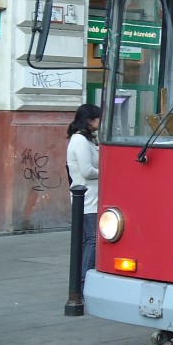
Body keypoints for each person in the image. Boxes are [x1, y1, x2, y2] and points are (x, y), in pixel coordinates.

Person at [66, 103, 101, 290]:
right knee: (92, 240)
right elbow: (87, 171)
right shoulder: (80, 141)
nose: (100, 122)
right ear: (89, 120)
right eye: (98, 119)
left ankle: (81, 282)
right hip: (88, 200)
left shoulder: (87, 140)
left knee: (88, 240)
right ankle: (83, 282)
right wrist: (108, 171)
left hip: (90, 198)